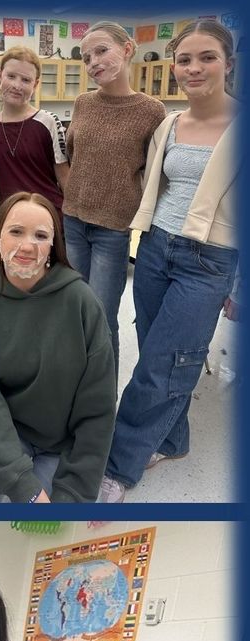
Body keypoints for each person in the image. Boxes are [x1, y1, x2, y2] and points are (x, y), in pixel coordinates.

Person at [98, 20, 239, 503]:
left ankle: (118, 466)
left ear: (228, 63)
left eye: (207, 57)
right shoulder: (169, 124)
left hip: (209, 261)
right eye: (184, 59)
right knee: (160, 354)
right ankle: (172, 441)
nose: (194, 68)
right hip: (157, 249)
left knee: (162, 366)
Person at [0, 192, 115, 503]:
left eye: (40, 235)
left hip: (61, 447)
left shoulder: (82, 304)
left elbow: (98, 409)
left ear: (53, 246)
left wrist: (71, 494)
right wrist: (23, 485)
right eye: (16, 231)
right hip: (6, 435)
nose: (28, 245)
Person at [62, 22, 166, 380]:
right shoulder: (83, 103)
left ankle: (102, 397)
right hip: (73, 222)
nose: (93, 62)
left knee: (102, 317)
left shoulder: (152, 111)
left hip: (112, 230)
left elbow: (153, 172)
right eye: (86, 57)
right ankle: (74, 384)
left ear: (127, 48)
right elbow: (74, 155)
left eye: (102, 50)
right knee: (74, 310)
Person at [0, 47, 68, 242]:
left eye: (26, 80)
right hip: (11, 224)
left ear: (35, 84)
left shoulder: (48, 122)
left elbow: (64, 176)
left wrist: (74, 223)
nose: (17, 85)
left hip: (51, 222)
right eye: (11, 76)